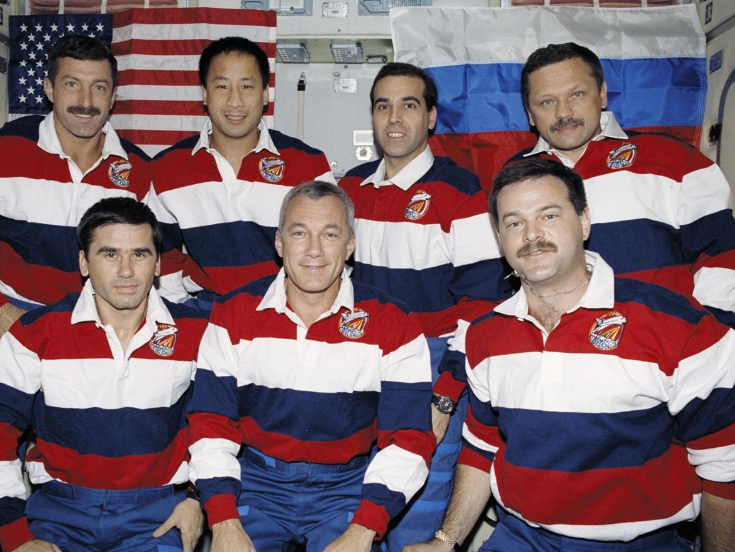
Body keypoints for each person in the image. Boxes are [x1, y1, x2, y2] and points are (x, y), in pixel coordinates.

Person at [406, 158, 735, 552]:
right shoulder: (485, 336)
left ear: (584, 222)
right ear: (499, 238)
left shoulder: (679, 327)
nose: (532, 234)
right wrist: (445, 541)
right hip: (519, 539)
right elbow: (483, 449)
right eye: (514, 223)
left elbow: (728, 470)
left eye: (548, 215)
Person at [0, 35, 157, 552]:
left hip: (93, 344)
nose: (85, 101)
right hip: (10, 331)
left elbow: (159, 259)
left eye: (99, 87)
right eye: (71, 84)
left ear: (114, 96)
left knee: (78, 480)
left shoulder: (137, 169)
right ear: (48, 88)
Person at [187, 181, 436, 552]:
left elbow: (409, 439)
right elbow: (211, 425)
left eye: (330, 234)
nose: (314, 250)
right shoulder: (233, 314)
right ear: (279, 242)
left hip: (346, 489)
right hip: (256, 484)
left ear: (350, 245)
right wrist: (223, 521)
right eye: (300, 233)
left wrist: (363, 529)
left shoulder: (393, 322)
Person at [0, 197, 208, 552]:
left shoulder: (197, 333)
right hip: (59, 514)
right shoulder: (34, 333)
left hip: (157, 515)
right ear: (83, 262)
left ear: (157, 265)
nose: (126, 271)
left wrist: (198, 499)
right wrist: (16, 538)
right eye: (110, 254)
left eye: (139, 254)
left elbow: (219, 425)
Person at [338, 62, 509, 550]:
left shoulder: (462, 191)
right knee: (356, 504)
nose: (394, 118)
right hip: (357, 359)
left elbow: (482, 306)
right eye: (383, 106)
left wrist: (444, 395)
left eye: (408, 105)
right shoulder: (349, 189)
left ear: (431, 117)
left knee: (419, 506)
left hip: (433, 366)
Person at [507, 42, 735, 329]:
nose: (563, 112)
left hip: (662, 346)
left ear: (602, 94)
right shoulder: (510, 179)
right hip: (552, 349)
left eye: (576, 95)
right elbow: (497, 279)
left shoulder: (674, 159)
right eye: (547, 102)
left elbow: (720, 253)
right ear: (530, 114)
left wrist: (709, 332)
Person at [149, 36, 334, 305]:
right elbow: (162, 253)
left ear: (265, 94)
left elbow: (334, 246)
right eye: (222, 86)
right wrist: (180, 310)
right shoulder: (167, 169)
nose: (235, 101)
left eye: (246, 86)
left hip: (289, 310)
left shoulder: (308, 164)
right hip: (207, 311)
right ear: (205, 93)